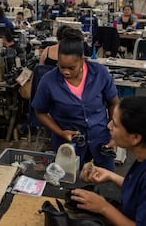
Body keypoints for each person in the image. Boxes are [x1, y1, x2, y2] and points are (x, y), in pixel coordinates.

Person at [32, 28, 119, 171]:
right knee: (69, 187)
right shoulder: (49, 81)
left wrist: (115, 131)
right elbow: (39, 112)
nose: (66, 71)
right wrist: (60, 132)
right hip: (69, 147)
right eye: (62, 66)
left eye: (72, 68)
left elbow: (114, 103)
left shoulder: (99, 73)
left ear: (82, 60)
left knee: (104, 185)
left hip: (102, 142)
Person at [71, 96, 146, 225]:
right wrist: (111, 176)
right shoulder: (141, 157)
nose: (109, 126)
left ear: (135, 137)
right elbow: (138, 190)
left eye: (115, 124)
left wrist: (103, 207)